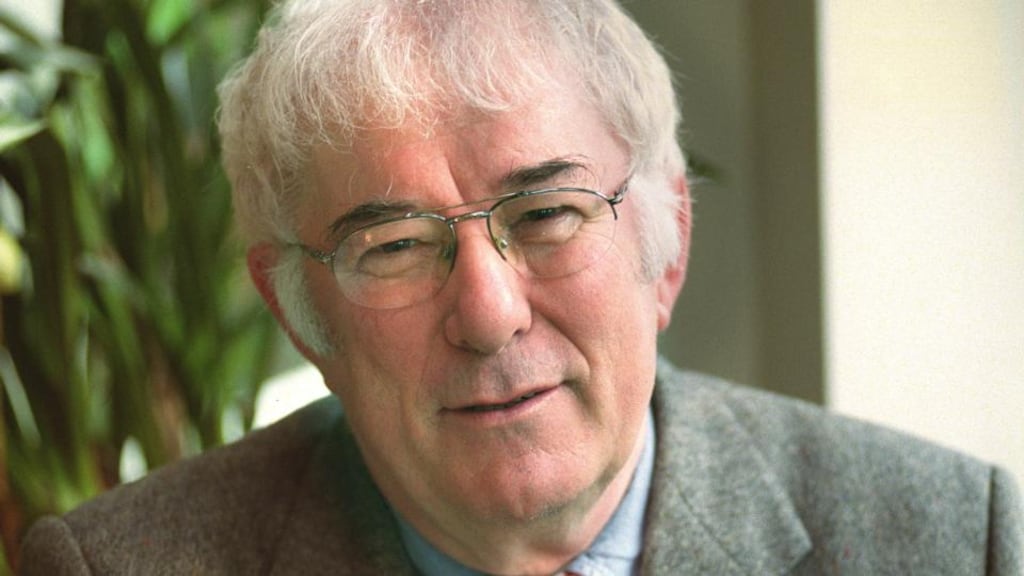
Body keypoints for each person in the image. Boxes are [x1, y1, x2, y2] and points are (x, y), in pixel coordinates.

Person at [19, 0, 1023, 574]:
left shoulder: (947, 540)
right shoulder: (118, 572)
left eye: (545, 216)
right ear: (301, 314)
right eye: (397, 245)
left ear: (663, 251)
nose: (490, 316)